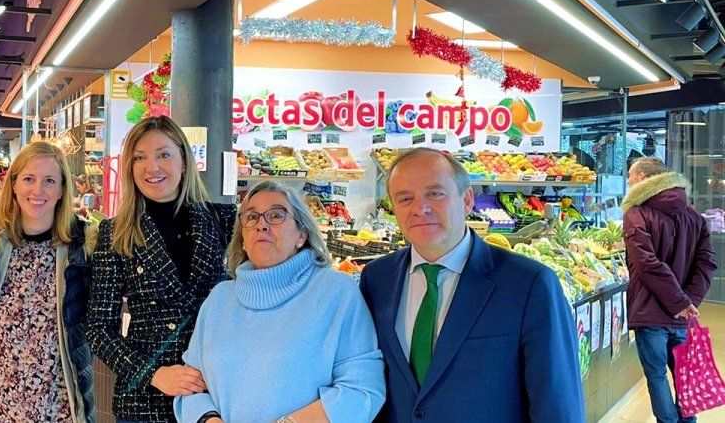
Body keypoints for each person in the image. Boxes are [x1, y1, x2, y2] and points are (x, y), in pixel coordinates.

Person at [358, 147, 582, 423]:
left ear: (467, 200)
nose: (420, 209)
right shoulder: (376, 278)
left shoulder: (529, 284)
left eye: (435, 193)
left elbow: (557, 405)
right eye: (405, 198)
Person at [176, 181, 384, 423]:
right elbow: (190, 385)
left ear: (302, 234)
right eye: (251, 217)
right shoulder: (220, 299)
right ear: (242, 237)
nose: (261, 225)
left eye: (276, 215)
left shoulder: (337, 292)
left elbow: (362, 390)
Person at [89, 116, 235, 423]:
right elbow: (99, 329)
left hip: (216, 392)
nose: (151, 167)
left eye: (163, 155)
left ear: (184, 160)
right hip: (146, 400)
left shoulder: (224, 220)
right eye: (139, 157)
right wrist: (153, 374)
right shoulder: (115, 232)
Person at [0, 142, 94, 422]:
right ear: (14, 185)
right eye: (29, 179)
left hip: (57, 407)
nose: (37, 191)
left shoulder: (82, 251)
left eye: (49, 181)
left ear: (63, 189)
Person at [623, 157, 717, 423]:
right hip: (684, 316)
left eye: (630, 174)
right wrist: (688, 302)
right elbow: (707, 261)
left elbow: (646, 263)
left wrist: (680, 302)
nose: (628, 179)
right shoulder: (693, 216)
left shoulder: (636, 214)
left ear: (642, 178)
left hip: (650, 311)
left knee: (656, 376)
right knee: (684, 375)